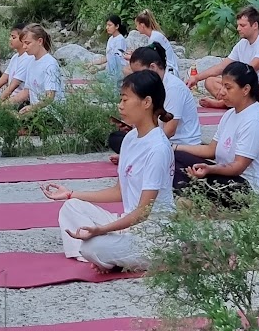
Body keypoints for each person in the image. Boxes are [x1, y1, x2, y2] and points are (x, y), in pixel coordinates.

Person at [41, 71, 175, 270]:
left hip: (152, 233)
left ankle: (110, 256)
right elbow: (119, 191)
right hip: (128, 224)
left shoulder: (158, 148)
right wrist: (71, 194)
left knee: (92, 247)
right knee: (71, 207)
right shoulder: (130, 139)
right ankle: (112, 256)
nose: (120, 105)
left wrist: (102, 229)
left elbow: (143, 213)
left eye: (125, 99)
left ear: (146, 102)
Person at [173, 61, 259, 202]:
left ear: (245, 90)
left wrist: (210, 170)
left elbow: (238, 167)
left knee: (197, 179)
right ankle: (188, 197)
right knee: (173, 157)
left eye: (228, 87)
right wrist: (174, 147)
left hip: (251, 187)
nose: (221, 92)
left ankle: (190, 199)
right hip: (227, 175)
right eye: (222, 86)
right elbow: (211, 150)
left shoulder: (254, 120)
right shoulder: (230, 114)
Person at [192, 5, 259, 101]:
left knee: (249, 85)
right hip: (244, 85)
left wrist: (229, 85)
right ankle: (228, 101)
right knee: (210, 81)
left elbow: (250, 70)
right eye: (238, 25)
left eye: (242, 25)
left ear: (255, 25)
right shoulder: (242, 43)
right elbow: (222, 67)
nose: (238, 29)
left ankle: (224, 103)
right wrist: (196, 78)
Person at [128, 43, 202, 145]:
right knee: (120, 138)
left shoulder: (173, 87)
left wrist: (142, 146)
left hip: (181, 145)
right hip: (161, 138)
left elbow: (170, 130)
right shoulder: (153, 85)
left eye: (139, 73)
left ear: (153, 67)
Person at [14, 25, 65, 113]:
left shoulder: (50, 64)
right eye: (23, 43)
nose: (24, 47)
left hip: (50, 113)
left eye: (27, 43)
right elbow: (26, 92)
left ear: (40, 41)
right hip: (37, 111)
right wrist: (2, 104)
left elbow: (50, 97)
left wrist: (32, 108)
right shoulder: (31, 62)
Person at [98, 15, 129, 80]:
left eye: (110, 25)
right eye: (107, 25)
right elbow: (108, 57)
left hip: (118, 70)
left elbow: (116, 60)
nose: (107, 28)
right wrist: (92, 63)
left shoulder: (120, 40)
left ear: (117, 26)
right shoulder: (111, 38)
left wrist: (99, 68)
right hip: (111, 68)